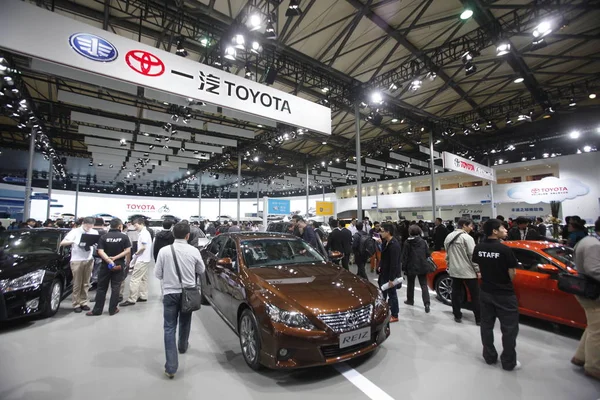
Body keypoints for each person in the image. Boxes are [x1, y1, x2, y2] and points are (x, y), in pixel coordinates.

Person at [155, 222, 206, 379]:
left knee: (169, 327)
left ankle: (171, 367)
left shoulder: (164, 251)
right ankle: (182, 346)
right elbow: (201, 270)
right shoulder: (194, 251)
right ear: (188, 235)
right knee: (185, 321)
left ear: (173, 235)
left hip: (170, 293)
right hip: (188, 293)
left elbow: (158, 274)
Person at [473, 219, 520, 371]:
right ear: (494, 231)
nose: (506, 230)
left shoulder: (479, 248)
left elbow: (478, 266)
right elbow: (512, 273)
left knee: (486, 326)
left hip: (485, 291)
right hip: (504, 294)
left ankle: (489, 356)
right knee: (509, 329)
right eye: (503, 228)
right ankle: (508, 361)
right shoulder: (505, 250)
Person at [571, 217, 600, 381]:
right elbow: (593, 269)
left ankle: (580, 356)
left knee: (594, 326)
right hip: (592, 292)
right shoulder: (593, 244)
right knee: (598, 330)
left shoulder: (587, 240)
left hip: (587, 289)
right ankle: (594, 367)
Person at [87, 219, 131, 316]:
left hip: (105, 264)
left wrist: (108, 260)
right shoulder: (124, 237)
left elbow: (100, 251)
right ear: (120, 226)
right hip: (119, 264)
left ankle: (97, 310)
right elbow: (127, 250)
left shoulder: (103, 237)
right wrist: (115, 258)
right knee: (116, 287)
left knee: (101, 287)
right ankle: (113, 309)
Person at [444, 218, 481, 324]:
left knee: (455, 294)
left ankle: (457, 315)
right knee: (475, 295)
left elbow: (447, 254)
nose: (472, 228)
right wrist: (478, 270)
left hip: (454, 270)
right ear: (464, 225)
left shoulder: (449, 236)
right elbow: (473, 256)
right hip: (468, 271)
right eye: (470, 225)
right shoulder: (467, 238)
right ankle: (478, 319)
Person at [59, 216, 99, 313]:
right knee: (77, 283)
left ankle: (83, 302)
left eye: (91, 226)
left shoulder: (94, 232)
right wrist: (74, 242)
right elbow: (62, 243)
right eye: (88, 225)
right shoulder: (75, 232)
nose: (89, 227)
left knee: (86, 283)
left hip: (89, 259)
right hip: (77, 260)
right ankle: (76, 303)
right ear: (83, 223)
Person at [120, 218, 153, 306]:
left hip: (141, 259)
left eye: (136, 225)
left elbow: (143, 247)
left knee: (134, 279)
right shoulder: (145, 233)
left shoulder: (144, 234)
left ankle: (131, 299)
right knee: (143, 279)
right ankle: (143, 296)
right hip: (145, 259)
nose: (135, 227)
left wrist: (135, 254)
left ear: (141, 223)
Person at [401, 224, 431, 313]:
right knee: (423, 285)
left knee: (410, 284)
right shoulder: (423, 241)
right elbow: (427, 254)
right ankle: (427, 303)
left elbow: (405, 256)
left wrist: (404, 267)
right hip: (422, 265)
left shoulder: (407, 242)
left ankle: (410, 300)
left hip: (411, 266)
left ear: (410, 232)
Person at [377, 223, 401, 323]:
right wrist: (379, 266)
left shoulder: (394, 245)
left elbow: (394, 264)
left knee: (392, 294)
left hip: (391, 275)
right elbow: (383, 257)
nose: (380, 233)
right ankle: (382, 312)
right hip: (384, 272)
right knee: (382, 293)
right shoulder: (385, 242)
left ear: (388, 232)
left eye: (382, 231)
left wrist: (391, 279)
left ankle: (395, 315)